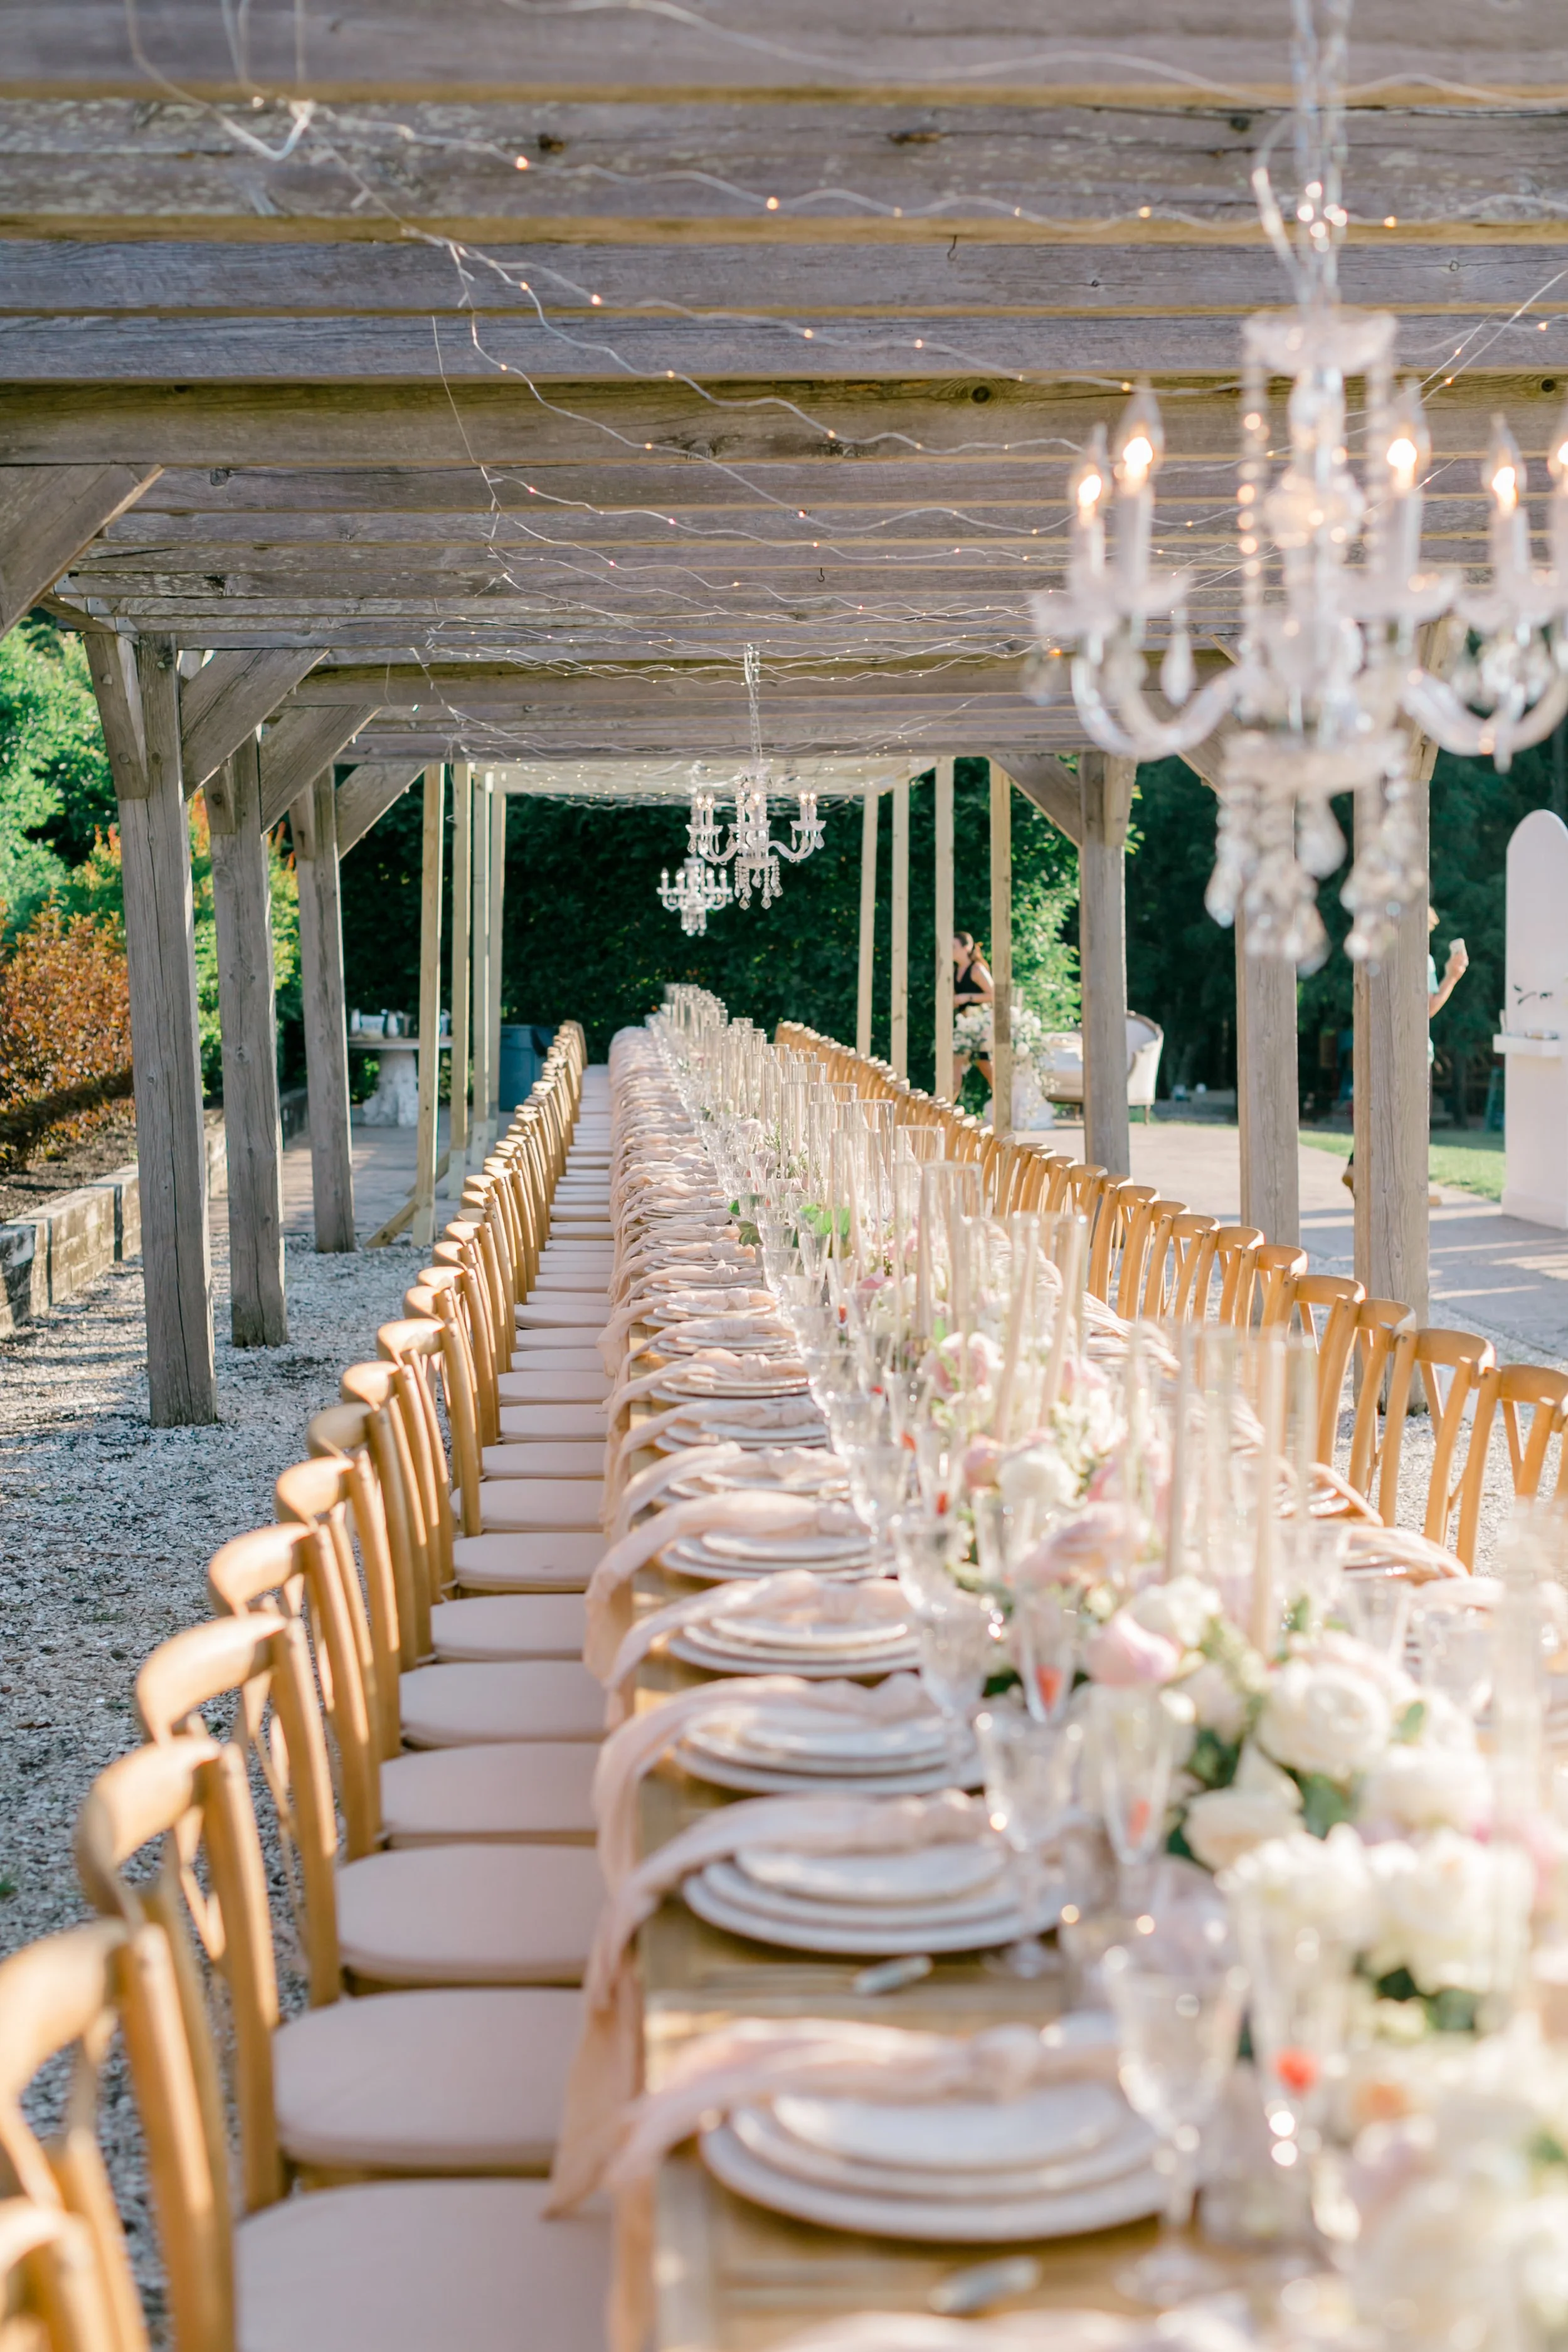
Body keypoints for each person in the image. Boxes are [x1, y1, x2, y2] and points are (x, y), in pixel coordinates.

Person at [1342, 908, 1468, 1196]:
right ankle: (1410, 1190)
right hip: (1412, 1051)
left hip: (1377, 1045)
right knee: (1410, 1121)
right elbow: (1426, 1009)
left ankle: (1355, 1166)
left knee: (1381, 1112)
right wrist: (1452, 977)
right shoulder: (1421, 960)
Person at [952, 932, 995, 1090]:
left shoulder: (976, 969)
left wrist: (967, 997)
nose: (950, 951)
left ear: (966, 948)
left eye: (954, 947)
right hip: (964, 1026)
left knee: (986, 1066)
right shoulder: (955, 972)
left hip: (980, 1026)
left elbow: (994, 995)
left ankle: (1004, 1105)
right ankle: (946, 1110)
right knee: (955, 1064)